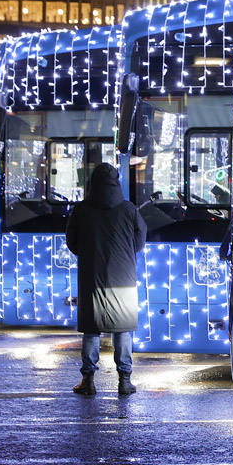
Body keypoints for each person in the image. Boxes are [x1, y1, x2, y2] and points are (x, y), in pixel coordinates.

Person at [65, 163, 147, 396]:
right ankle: (124, 380)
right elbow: (139, 242)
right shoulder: (129, 209)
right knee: (122, 331)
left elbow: (72, 241)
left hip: (92, 277)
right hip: (123, 279)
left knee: (92, 330)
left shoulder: (81, 209)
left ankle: (88, 381)